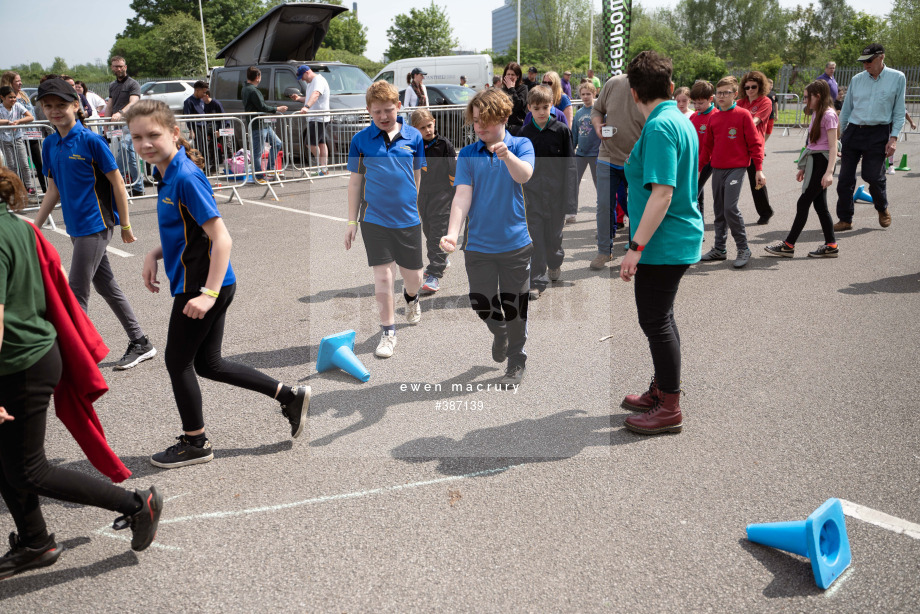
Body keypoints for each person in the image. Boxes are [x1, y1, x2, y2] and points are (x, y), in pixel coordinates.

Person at [122, 100, 309, 468]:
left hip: (204, 286)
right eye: (137, 137)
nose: (145, 143)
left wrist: (207, 294)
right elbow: (188, 232)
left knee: (178, 362)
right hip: (209, 283)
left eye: (153, 135)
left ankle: (196, 443)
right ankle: (289, 396)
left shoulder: (185, 177)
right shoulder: (167, 172)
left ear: (174, 133)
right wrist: (154, 254)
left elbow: (221, 238)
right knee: (209, 363)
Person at [0, 165, 163, 579]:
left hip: (19, 365)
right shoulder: (16, 226)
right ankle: (36, 541)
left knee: (28, 469)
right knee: (5, 461)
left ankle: (135, 504)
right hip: (32, 356)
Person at [31, 79, 156, 370]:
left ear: (76, 105)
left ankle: (75, 358)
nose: (54, 111)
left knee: (76, 290)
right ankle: (141, 342)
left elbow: (118, 185)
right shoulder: (50, 144)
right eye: (48, 106)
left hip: (96, 224)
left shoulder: (91, 141)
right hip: (75, 227)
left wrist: (125, 225)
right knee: (107, 286)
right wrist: (35, 227)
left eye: (61, 105)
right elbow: (53, 190)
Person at [619, 50, 703, 436]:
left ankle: (669, 405)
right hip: (670, 238)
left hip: (663, 242)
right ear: (671, 87)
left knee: (655, 320)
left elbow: (662, 194)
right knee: (661, 319)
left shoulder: (659, 127)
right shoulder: (678, 119)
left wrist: (634, 248)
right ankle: (662, 390)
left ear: (635, 94)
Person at [439, 88, 534, 388]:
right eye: (477, 121)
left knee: (515, 307)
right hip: (478, 245)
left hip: (515, 243)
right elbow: (462, 196)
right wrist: (452, 234)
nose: (480, 127)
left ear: (504, 117)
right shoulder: (468, 154)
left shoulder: (522, 144)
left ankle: (516, 360)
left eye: (487, 121)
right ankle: (500, 331)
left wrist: (507, 156)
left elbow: (525, 175)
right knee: (481, 303)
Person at [345, 81, 426, 359]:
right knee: (383, 276)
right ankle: (388, 331)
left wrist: (411, 205)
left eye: (388, 110)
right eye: (376, 111)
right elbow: (355, 184)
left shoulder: (414, 137)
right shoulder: (361, 140)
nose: (382, 116)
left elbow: (416, 176)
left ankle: (412, 299)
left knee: (413, 277)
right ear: (368, 110)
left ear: (399, 107)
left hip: (408, 220)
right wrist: (351, 222)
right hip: (374, 220)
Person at [835, 43, 906, 231]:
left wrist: (894, 138)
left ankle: (882, 207)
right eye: (863, 62)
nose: (865, 65)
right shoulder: (857, 79)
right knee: (844, 179)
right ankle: (845, 219)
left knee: (872, 176)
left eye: (869, 61)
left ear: (881, 57)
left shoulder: (897, 78)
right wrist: (839, 135)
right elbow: (847, 109)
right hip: (854, 131)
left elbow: (899, 112)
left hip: (879, 132)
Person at [764, 80, 839, 259]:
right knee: (820, 205)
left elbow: (833, 146)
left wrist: (829, 172)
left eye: (807, 97)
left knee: (803, 202)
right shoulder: (817, 113)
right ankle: (831, 245)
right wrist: (804, 167)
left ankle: (788, 245)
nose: (805, 100)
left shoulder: (828, 115)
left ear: (818, 96)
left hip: (822, 162)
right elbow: (812, 144)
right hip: (814, 161)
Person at [698, 76, 765, 268]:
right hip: (717, 168)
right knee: (719, 210)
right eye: (718, 93)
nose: (721, 96)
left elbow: (755, 143)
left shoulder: (743, 115)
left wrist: (759, 169)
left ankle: (743, 248)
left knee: (730, 208)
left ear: (735, 94)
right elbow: (707, 148)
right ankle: (719, 249)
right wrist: (698, 169)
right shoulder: (714, 118)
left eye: (726, 93)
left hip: (737, 168)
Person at [519, 86, 576, 300]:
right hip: (532, 195)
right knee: (536, 239)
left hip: (556, 195)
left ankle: (555, 262)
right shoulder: (524, 134)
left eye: (545, 107)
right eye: (536, 108)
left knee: (554, 238)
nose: (541, 112)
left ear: (552, 106)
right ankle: (536, 282)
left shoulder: (561, 130)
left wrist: (570, 201)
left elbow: (570, 166)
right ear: (529, 109)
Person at [590, 73, 645, 269]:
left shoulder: (650, 86)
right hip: (607, 156)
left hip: (637, 159)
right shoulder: (613, 83)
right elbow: (597, 109)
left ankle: (635, 251)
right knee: (604, 205)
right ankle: (604, 251)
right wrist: (597, 125)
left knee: (637, 206)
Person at [411, 109, 457, 295]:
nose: (427, 130)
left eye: (429, 126)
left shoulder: (444, 144)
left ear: (434, 123)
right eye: (422, 128)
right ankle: (442, 260)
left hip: (442, 195)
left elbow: (453, 170)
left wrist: (455, 193)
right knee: (428, 231)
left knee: (437, 234)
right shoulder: (414, 145)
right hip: (423, 196)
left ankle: (434, 275)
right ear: (415, 129)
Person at [736, 70, 774, 224]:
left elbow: (755, 121)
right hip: (737, 146)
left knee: (756, 181)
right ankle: (726, 212)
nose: (750, 90)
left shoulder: (765, 102)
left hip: (753, 147)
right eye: (747, 87)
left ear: (760, 87)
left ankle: (765, 212)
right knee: (729, 180)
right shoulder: (740, 102)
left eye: (753, 87)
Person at [104, 56, 145, 197]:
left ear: (125, 67)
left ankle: (137, 187)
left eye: (121, 66)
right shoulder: (112, 85)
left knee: (129, 153)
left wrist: (120, 113)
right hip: (116, 126)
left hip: (131, 123)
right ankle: (118, 183)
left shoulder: (133, 84)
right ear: (112, 68)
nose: (119, 69)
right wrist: (106, 123)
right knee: (120, 155)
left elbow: (134, 102)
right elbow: (110, 104)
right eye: (116, 66)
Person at [1, 72, 46, 194]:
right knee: (13, 165)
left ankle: (40, 188)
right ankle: (17, 188)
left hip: (29, 134)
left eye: (21, 80)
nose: (20, 83)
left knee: (34, 162)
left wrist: (19, 121)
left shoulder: (23, 96)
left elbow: (31, 115)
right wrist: (8, 122)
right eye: (17, 81)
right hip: (9, 138)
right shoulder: (4, 102)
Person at [242, 66, 288, 182]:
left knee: (277, 143)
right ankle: (259, 176)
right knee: (257, 152)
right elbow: (262, 107)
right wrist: (277, 108)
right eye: (260, 76)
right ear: (257, 77)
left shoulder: (247, 88)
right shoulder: (252, 90)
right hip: (257, 125)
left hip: (263, 124)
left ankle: (270, 169)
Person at [289, 65, 332, 176]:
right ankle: (323, 169)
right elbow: (310, 97)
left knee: (310, 143)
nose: (302, 80)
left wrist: (306, 107)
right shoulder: (311, 83)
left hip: (318, 118)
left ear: (307, 72)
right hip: (318, 117)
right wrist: (299, 98)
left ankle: (321, 166)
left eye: (302, 77)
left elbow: (316, 94)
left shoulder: (318, 80)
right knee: (321, 143)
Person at [571, 81, 601, 224]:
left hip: (596, 154)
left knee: (599, 184)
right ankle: (571, 212)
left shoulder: (599, 112)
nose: (585, 97)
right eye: (583, 94)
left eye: (588, 94)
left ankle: (601, 212)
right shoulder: (579, 113)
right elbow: (575, 134)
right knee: (573, 183)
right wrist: (572, 148)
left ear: (594, 94)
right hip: (581, 153)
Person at [689, 80, 717, 217]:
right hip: (694, 160)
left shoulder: (715, 116)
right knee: (698, 195)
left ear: (710, 99)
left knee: (692, 194)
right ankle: (699, 227)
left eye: (700, 103)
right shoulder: (694, 116)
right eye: (694, 103)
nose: (696, 106)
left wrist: (699, 167)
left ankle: (695, 228)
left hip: (707, 161)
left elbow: (709, 147)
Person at [0, 86, 35, 195]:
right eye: (10, 97)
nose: (13, 99)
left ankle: (28, 186)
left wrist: (18, 121)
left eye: (14, 97)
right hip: (5, 140)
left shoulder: (18, 106)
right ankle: (14, 186)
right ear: (2, 97)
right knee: (11, 166)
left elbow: (30, 117)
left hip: (18, 138)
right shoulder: (0, 108)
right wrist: (7, 122)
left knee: (24, 163)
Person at [500, 62, 529, 134]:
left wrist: (511, 89)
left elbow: (518, 105)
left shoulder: (523, 88)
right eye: (508, 74)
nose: (510, 77)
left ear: (518, 76)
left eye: (512, 74)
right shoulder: (502, 90)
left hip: (518, 127)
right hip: (505, 127)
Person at [764, 78, 777, 144]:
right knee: (762, 131)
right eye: (770, 84)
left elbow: (775, 103)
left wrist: (777, 114)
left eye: (772, 84)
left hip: (771, 115)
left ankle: (762, 143)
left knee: (769, 132)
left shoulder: (773, 93)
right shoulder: (763, 93)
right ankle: (760, 145)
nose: (771, 86)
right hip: (764, 116)